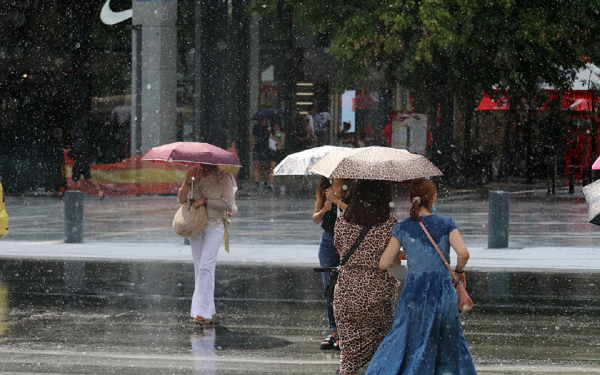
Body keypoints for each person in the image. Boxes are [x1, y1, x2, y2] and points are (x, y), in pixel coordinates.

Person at [366, 178, 477, 375]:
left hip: (413, 294)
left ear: (411, 199)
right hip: (442, 291)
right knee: (447, 340)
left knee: (405, 337)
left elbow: (383, 263)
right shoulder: (446, 223)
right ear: (433, 198)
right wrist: (459, 271)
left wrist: (407, 252)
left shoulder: (403, 228)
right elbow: (464, 253)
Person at [333, 179, 399, 375]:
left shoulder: (342, 221)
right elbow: (394, 263)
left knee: (349, 357)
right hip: (378, 293)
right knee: (381, 353)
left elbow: (340, 252)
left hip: (347, 291)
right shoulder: (390, 225)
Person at [178, 164, 237, 326]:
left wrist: (204, 201)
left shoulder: (223, 178)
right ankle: (206, 311)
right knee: (200, 268)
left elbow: (227, 204)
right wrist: (186, 182)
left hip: (215, 225)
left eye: (207, 164)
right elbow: (181, 200)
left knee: (206, 266)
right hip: (196, 225)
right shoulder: (193, 175)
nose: (203, 166)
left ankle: (201, 312)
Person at [313, 177, 352, 351]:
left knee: (347, 287)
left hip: (349, 242)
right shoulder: (324, 188)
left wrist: (337, 201)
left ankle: (347, 331)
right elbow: (315, 218)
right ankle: (334, 332)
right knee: (329, 287)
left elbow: (354, 213)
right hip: (328, 240)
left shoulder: (351, 188)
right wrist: (325, 209)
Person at [69, 131, 105, 200]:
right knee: (89, 178)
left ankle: (73, 195)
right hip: (85, 162)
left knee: (75, 179)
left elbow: (76, 152)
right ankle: (100, 191)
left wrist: (70, 152)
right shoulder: (83, 140)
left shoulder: (77, 142)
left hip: (79, 163)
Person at [250, 116, 272, 190]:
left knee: (265, 166)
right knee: (257, 165)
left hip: (265, 148)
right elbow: (253, 137)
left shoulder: (268, 128)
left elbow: (271, 137)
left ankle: (265, 182)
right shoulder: (256, 127)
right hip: (258, 147)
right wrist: (251, 145)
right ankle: (257, 182)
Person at [269, 122, 286, 194]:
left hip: (280, 152)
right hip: (273, 152)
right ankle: (272, 184)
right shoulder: (271, 134)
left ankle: (282, 184)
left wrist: (275, 139)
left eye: (277, 127)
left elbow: (281, 144)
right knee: (273, 168)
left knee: (281, 169)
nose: (276, 128)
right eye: (275, 127)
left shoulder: (282, 134)